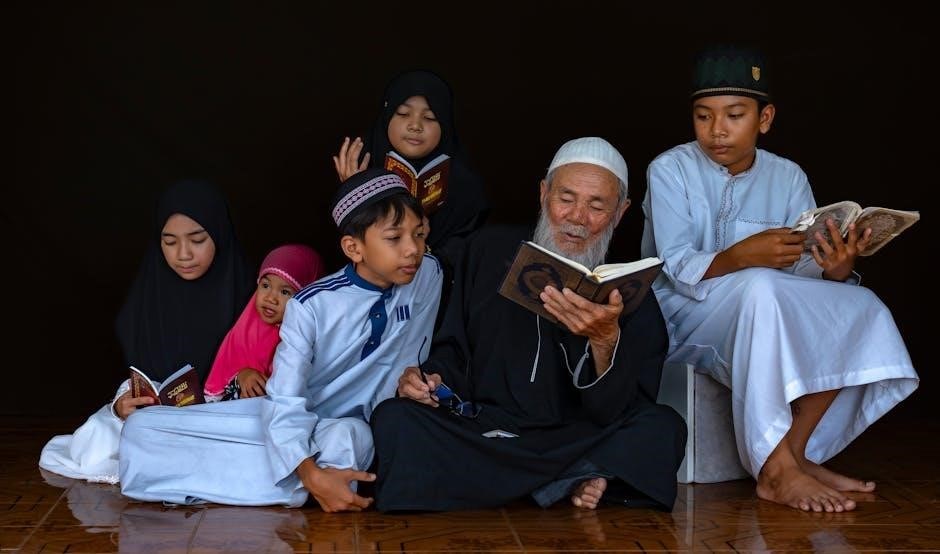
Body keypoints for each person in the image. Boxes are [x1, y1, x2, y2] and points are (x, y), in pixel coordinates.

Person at [640, 45, 919, 513]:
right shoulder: (671, 169)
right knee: (761, 287)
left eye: (734, 115)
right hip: (680, 312)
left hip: (760, 307)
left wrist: (835, 268)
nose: (717, 129)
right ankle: (774, 470)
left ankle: (796, 455)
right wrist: (738, 256)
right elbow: (673, 264)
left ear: (764, 118)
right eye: (704, 116)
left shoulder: (788, 176)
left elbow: (801, 270)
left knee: (859, 304)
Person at [370, 137, 686, 512]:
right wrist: (429, 381)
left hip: (572, 436)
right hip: (486, 429)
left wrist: (604, 340)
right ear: (543, 194)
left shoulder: (629, 290)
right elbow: (453, 350)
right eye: (566, 199)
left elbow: (625, 408)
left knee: (663, 427)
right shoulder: (486, 251)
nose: (577, 218)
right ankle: (567, 478)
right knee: (395, 419)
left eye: (597, 206)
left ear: (620, 213)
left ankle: (511, 481)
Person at [119, 169, 443, 511]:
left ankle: (278, 482)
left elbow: (410, 355)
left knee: (350, 438)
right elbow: (285, 401)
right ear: (353, 248)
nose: (412, 250)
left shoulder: (427, 274)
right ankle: (310, 485)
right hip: (285, 421)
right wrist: (308, 470)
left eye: (419, 234)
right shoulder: (311, 306)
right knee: (142, 428)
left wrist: (413, 383)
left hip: (344, 428)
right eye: (394, 238)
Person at [39, 179, 254, 483]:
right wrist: (123, 405)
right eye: (170, 242)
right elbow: (140, 379)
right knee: (100, 441)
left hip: (222, 419)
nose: (183, 254)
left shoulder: (251, 297)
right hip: (158, 424)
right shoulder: (147, 298)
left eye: (197, 240)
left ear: (219, 234)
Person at [333, 69, 488, 279]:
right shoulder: (362, 165)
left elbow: (468, 260)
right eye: (403, 114)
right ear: (387, 115)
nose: (415, 125)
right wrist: (356, 196)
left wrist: (422, 243)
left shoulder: (465, 186)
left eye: (430, 117)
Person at [203, 243, 324, 401]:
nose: (270, 299)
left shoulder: (314, 336)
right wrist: (242, 377)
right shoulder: (245, 332)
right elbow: (219, 387)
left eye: (285, 292)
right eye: (265, 285)